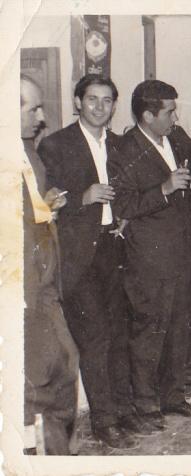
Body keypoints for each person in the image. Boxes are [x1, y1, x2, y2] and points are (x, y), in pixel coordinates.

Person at [38, 74, 142, 448]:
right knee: (95, 337)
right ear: (78, 102)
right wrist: (84, 197)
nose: (100, 107)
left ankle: (123, 412)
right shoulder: (55, 145)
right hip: (79, 257)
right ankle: (104, 422)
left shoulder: (118, 144)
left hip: (114, 250)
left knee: (119, 334)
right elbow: (43, 206)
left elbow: (128, 192)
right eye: (92, 99)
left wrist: (124, 216)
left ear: (114, 105)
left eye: (107, 100)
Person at [109, 80, 191, 429]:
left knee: (178, 329)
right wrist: (165, 189)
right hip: (148, 259)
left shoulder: (175, 136)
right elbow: (123, 204)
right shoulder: (124, 149)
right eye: (169, 112)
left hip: (181, 253)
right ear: (148, 115)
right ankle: (145, 404)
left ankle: (173, 397)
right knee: (149, 332)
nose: (175, 117)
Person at [21, 74, 79, 454]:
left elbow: (29, 211)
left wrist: (46, 205)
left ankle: (58, 456)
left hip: (45, 285)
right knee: (35, 382)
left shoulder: (28, 152)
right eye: (34, 108)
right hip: (21, 291)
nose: (41, 118)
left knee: (65, 365)